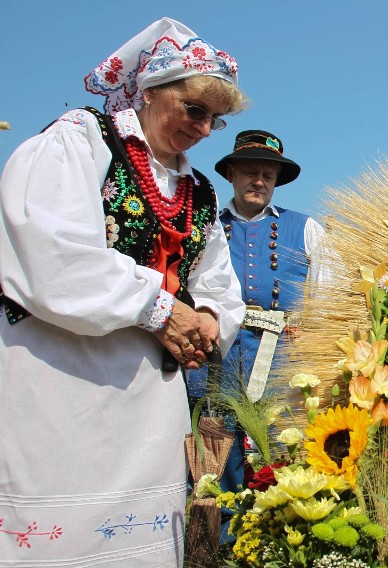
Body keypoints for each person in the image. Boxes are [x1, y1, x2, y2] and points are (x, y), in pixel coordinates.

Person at [0, 18, 245, 566]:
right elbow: (52, 255)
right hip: (63, 382)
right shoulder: (81, 140)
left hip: (147, 406)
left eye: (215, 119)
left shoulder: (198, 191)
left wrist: (205, 316)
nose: (205, 129)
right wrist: (159, 308)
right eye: (194, 109)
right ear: (152, 92)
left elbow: (220, 286)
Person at [187, 130, 329, 521]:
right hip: (217, 359)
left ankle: (283, 547)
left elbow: (329, 296)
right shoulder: (206, 230)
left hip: (283, 359)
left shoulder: (306, 229)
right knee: (214, 463)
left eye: (267, 174)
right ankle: (219, 546)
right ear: (231, 173)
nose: (259, 181)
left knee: (287, 458)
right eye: (250, 171)